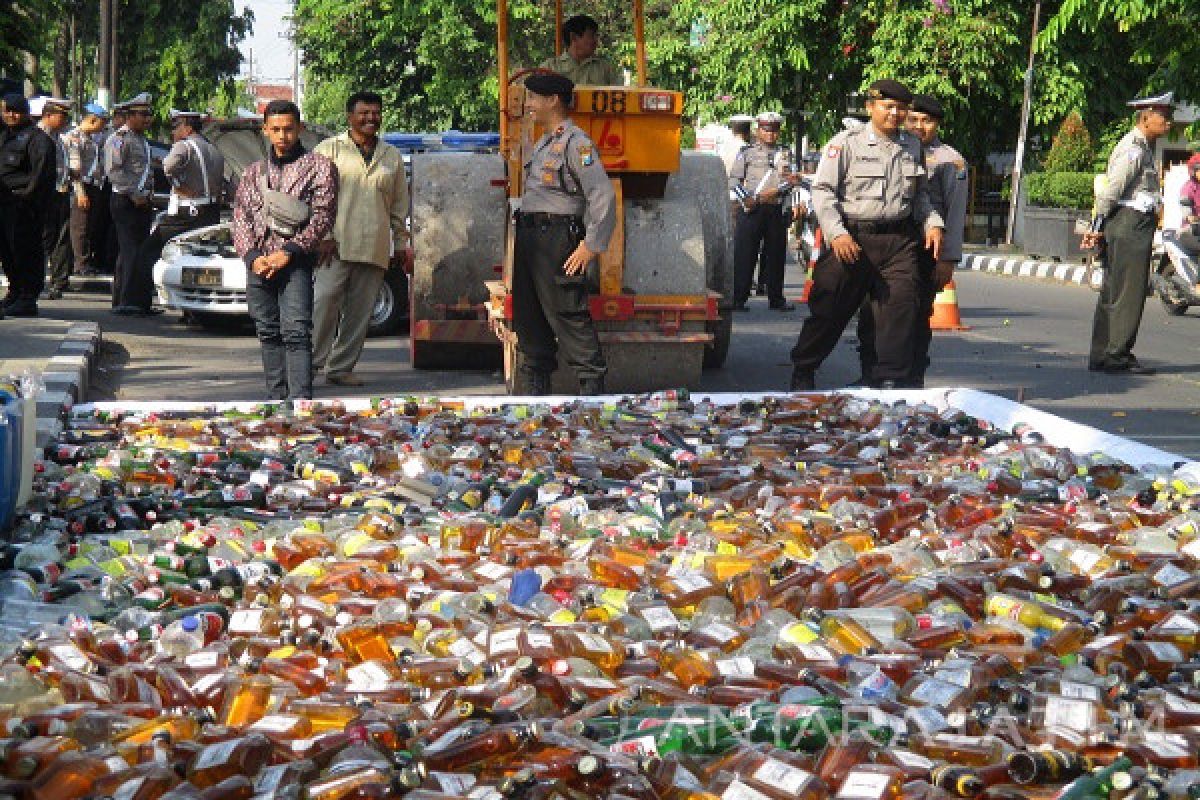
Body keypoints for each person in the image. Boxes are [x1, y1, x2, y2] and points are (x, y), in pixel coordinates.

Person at [788, 79, 945, 390]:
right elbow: (822, 191)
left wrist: (933, 223)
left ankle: (889, 380)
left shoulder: (912, 146)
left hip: (898, 242)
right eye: (888, 107)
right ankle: (804, 369)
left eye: (901, 108)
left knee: (900, 310)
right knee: (830, 310)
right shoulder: (846, 143)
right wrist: (836, 233)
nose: (895, 113)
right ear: (870, 107)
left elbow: (920, 196)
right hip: (852, 239)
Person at [511, 72, 617, 396]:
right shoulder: (544, 141)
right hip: (531, 238)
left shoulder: (577, 143)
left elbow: (602, 195)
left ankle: (592, 392)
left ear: (553, 100)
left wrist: (591, 245)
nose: (527, 105)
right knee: (529, 319)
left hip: (557, 238)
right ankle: (536, 396)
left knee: (568, 314)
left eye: (532, 98)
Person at [856, 93, 968, 387]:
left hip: (927, 248)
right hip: (892, 246)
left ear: (938, 124)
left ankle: (912, 380)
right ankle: (871, 375)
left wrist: (947, 259)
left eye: (927, 121)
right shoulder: (896, 149)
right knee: (872, 313)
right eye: (914, 119)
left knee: (915, 319)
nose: (919, 126)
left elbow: (955, 215)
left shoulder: (950, 161)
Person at [232, 100, 338, 402]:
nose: (283, 136)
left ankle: (301, 404)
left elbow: (323, 216)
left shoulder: (320, 168)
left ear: (299, 129)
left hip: (296, 262)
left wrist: (289, 252)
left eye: (288, 129)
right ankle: (276, 402)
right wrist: (252, 258)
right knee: (267, 331)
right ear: (265, 130)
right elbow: (240, 218)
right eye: (276, 129)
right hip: (260, 263)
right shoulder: (253, 172)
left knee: (296, 333)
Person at [312, 91, 409, 388]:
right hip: (335, 245)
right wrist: (323, 235)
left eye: (375, 113)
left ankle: (340, 368)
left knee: (360, 313)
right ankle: (309, 365)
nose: (370, 118)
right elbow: (314, 197)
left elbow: (399, 206)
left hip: (375, 245)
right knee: (324, 303)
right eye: (364, 113)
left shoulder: (391, 156)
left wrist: (402, 244)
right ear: (349, 116)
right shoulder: (329, 150)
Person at [1081, 91, 1174, 375]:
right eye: (1164, 117)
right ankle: (1116, 354)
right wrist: (1096, 226)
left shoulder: (1143, 146)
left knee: (1114, 290)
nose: (1169, 122)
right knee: (1128, 293)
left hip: (1129, 224)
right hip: (1130, 224)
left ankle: (1103, 354)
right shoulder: (1133, 148)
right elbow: (1112, 190)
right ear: (1146, 118)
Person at [134, 109, 225, 293]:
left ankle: (137, 301)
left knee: (148, 250)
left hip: (187, 213)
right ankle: (193, 305)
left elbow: (168, 168)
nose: (172, 132)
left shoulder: (184, 146)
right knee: (199, 257)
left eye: (175, 127)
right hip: (211, 211)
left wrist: (178, 185)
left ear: (188, 127)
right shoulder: (214, 149)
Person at [729, 111, 795, 312]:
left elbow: (791, 180)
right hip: (752, 209)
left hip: (775, 208)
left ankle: (776, 299)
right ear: (758, 130)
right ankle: (738, 298)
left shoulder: (785, 153)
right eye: (766, 130)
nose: (770, 134)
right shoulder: (746, 152)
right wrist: (746, 198)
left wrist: (779, 191)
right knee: (745, 254)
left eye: (774, 130)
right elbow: (734, 180)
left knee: (776, 255)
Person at [0, 93, 56, 317]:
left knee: (26, 251)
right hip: (5, 203)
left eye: (15, 111)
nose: (10, 115)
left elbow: (40, 176)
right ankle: (15, 291)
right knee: (7, 251)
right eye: (6, 110)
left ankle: (27, 297)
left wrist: (27, 200)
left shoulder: (37, 139)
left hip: (24, 205)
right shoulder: (5, 136)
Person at [105, 92, 159, 315]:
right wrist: (133, 193)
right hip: (125, 201)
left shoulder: (141, 139)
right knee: (131, 252)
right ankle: (129, 302)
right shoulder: (119, 138)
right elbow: (113, 171)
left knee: (137, 251)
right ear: (130, 115)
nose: (147, 119)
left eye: (149, 114)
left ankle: (133, 300)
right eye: (143, 115)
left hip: (142, 202)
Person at [32, 97, 74, 300]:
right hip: (43, 196)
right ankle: (35, 283)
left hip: (60, 192)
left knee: (58, 239)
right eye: (62, 116)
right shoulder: (36, 136)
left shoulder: (58, 137)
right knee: (42, 240)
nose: (65, 120)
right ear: (48, 115)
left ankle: (57, 280)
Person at [63, 103, 109, 280]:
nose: (104, 126)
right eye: (102, 122)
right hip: (81, 186)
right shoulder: (75, 137)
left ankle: (84, 261)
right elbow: (75, 169)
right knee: (79, 226)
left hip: (93, 185)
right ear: (91, 120)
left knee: (89, 226)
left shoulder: (89, 138)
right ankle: (80, 264)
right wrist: (80, 193)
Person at [540, 15, 621, 86]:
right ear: (573, 37)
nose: (596, 40)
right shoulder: (550, 68)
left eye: (597, 36)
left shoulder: (605, 69)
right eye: (591, 36)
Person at [1176, 153, 1200, 256]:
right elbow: (1185, 206)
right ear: (1193, 171)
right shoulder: (1188, 188)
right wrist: (1191, 217)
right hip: (1190, 230)